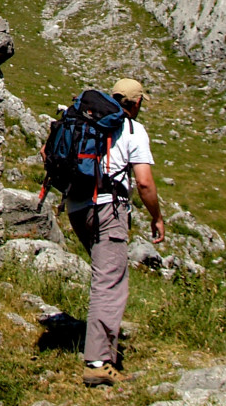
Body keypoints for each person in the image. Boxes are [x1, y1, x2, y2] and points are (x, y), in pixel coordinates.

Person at [66, 77, 165, 387]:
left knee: (104, 277)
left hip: (77, 207)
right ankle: (97, 362)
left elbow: (47, 152)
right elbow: (145, 183)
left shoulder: (88, 121)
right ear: (135, 104)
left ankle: (103, 352)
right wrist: (157, 217)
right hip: (109, 209)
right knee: (109, 283)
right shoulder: (133, 130)